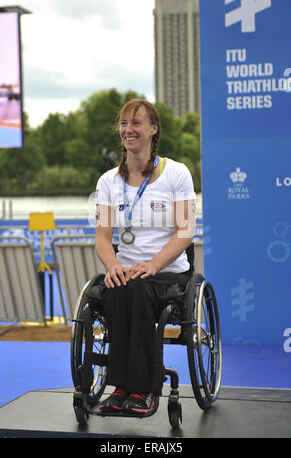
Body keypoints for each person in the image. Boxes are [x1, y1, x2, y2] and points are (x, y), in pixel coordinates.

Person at [95, 99, 196, 414]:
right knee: (115, 287)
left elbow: (185, 232)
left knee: (137, 288)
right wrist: (112, 266)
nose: (128, 130)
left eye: (136, 123)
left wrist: (153, 265)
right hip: (126, 271)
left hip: (167, 273)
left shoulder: (176, 173)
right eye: (124, 124)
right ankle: (120, 387)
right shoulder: (109, 181)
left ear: (153, 130)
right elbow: (101, 237)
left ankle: (143, 390)